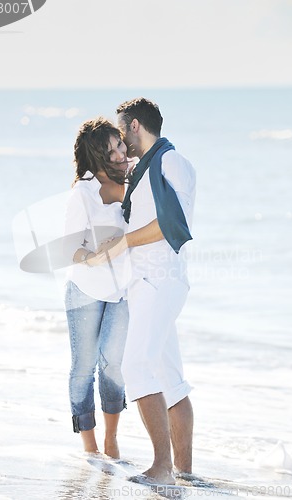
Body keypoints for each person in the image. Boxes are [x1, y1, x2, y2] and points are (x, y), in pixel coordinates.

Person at [97, 98, 196, 484]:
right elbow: (123, 199)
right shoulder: (144, 166)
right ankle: (184, 473)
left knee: (135, 367)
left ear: (135, 125)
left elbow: (174, 225)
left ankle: (161, 468)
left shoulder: (171, 162)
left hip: (160, 279)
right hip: (146, 283)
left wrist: (122, 244)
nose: (121, 143)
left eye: (122, 132)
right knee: (169, 377)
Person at [63, 117, 132, 459]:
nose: (121, 152)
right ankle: (90, 448)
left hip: (123, 292)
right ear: (95, 157)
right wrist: (95, 256)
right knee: (83, 366)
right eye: (112, 150)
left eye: (121, 144)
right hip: (86, 290)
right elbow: (71, 249)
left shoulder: (133, 182)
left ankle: (112, 439)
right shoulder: (83, 193)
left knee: (112, 364)